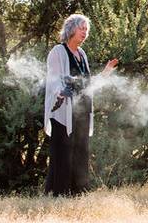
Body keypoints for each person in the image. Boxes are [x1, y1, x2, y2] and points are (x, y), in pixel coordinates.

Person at [43, 14, 118, 196]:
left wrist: (105, 73)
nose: (85, 33)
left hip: (82, 109)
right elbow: (53, 80)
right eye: (81, 28)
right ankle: (59, 194)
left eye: (86, 30)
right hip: (63, 112)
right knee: (63, 153)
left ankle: (78, 193)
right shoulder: (58, 52)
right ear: (71, 29)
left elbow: (87, 82)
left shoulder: (81, 54)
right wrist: (60, 90)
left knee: (80, 151)